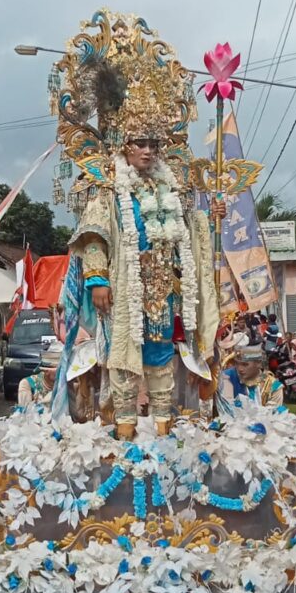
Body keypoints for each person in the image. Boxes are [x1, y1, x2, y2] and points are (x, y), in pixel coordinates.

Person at [67, 53, 222, 440]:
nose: (148, 150)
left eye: (154, 143)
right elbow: (94, 233)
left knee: (160, 354)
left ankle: (164, 426)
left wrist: (209, 217)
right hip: (123, 286)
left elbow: (188, 229)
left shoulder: (170, 187)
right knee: (124, 355)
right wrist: (97, 279)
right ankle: (124, 430)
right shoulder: (110, 187)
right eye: (140, 143)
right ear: (124, 144)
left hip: (163, 288)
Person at [220, 343, 284, 409]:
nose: (240, 368)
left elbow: (274, 414)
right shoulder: (228, 377)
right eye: (237, 363)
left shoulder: (274, 387)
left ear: (259, 364)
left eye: (245, 364)